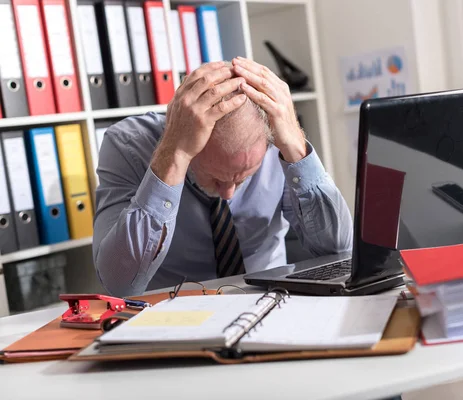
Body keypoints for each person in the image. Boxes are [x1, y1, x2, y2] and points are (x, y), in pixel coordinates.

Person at [93, 58, 353, 297]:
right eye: (215, 177)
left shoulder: (277, 141)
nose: (229, 193)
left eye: (242, 179)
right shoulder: (128, 146)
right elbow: (119, 282)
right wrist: (174, 155)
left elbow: (339, 249)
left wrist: (296, 146)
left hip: (269, 304)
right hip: (174, 317)